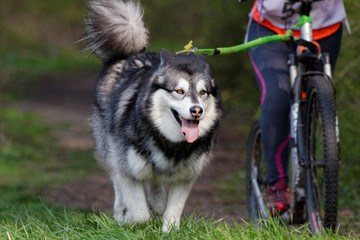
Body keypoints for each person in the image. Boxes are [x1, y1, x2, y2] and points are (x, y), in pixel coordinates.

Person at [245, 0, 347, 215]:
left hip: (325, 29)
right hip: (270, 27)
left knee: (320, 97)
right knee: (277, 98)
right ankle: (278, 186)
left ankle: (309, 171)